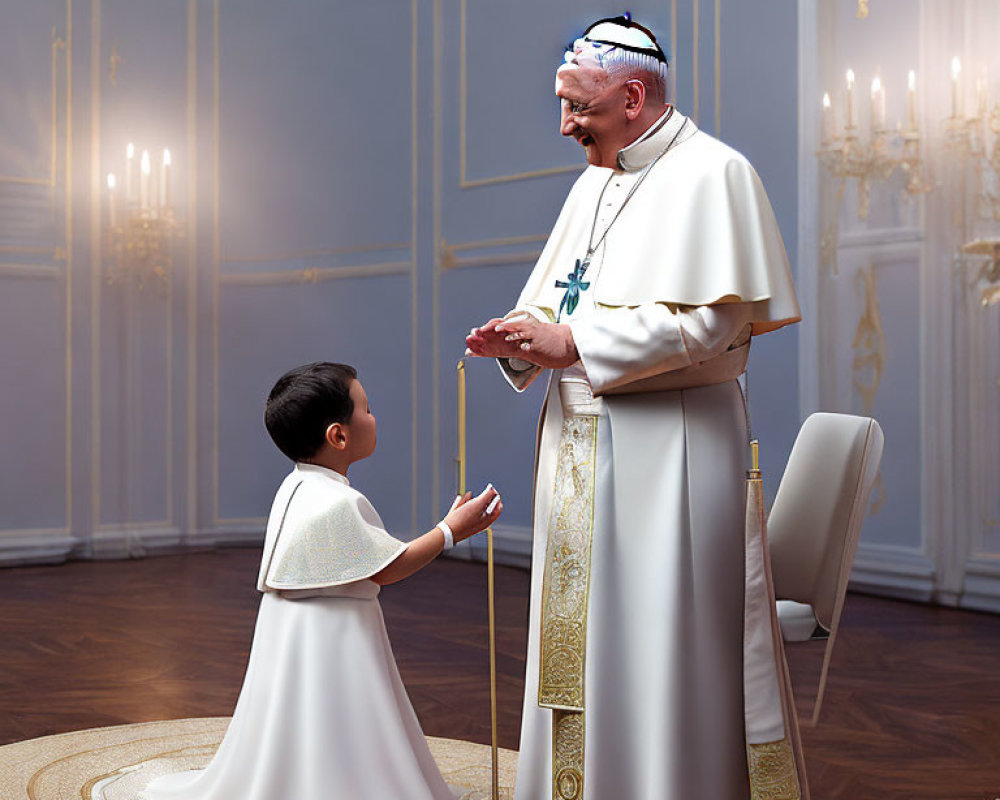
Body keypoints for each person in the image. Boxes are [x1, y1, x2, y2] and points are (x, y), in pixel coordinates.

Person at [465, 15, 806, 800]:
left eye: (577, 107)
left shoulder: (716, 174)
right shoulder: (595, 181)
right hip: (579, 447)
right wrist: (520, 338)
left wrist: (575, 343)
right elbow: (558, 307)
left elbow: (716, 321)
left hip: (673, 450)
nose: (564, 126)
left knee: (660, 640)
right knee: (578, 642)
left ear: (631, 94)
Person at [140, 362, 503, 800]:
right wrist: (450, 530)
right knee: (340, 714)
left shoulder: (295, 487)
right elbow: (388, 568)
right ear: (339, 435)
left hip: (288, 632)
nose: (375, 417)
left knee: (298, 715)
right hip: (338, 636)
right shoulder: (341, 502)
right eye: (366, 409)